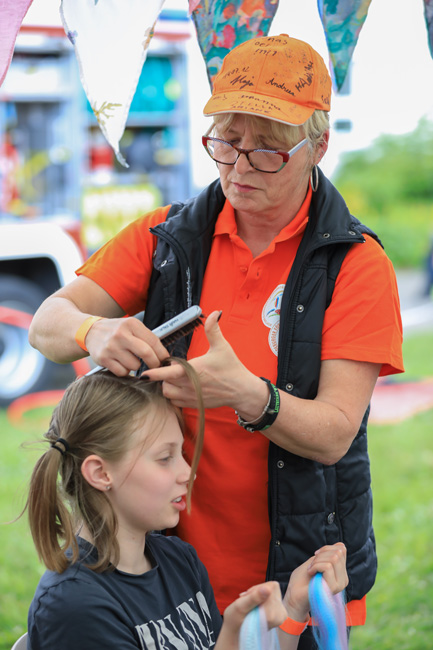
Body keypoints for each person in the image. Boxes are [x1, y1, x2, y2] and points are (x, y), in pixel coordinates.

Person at [28, 34, 404, 647]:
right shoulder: (164, 236)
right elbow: (46, 323)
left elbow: (335, 433)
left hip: (296, 575)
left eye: (268, 151)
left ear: (318, 147)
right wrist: (92, 330)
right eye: (226, 142)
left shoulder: (356, 264)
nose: (239, 167)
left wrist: (249, 396)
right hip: (169, 573)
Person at [24, 367, 348, 650]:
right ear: (100, 473)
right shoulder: (73, 605)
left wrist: (294, 606)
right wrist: (231, 634)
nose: (188, 472)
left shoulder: (179, 560)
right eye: (165, 458)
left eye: (181, 453)